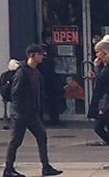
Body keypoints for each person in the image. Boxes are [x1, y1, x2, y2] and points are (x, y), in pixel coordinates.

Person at [4, 44, 64, 177]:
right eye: (40, 54)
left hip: (32, 113)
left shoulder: (35, 72)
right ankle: (8, 169)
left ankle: (46, 167)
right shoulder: (22, 72)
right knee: (16, 141)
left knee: (42, 136)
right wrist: (21, 110)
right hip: (21, 113)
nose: (42, 57)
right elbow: (16, 93)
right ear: (32, 55)